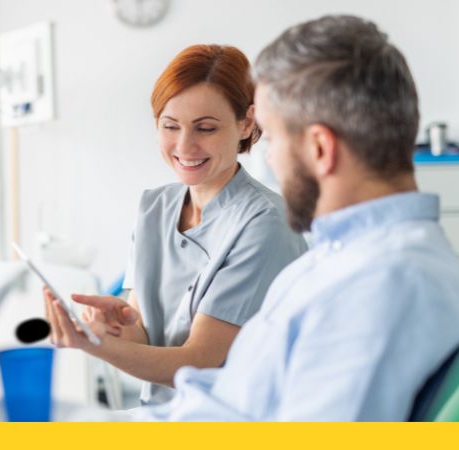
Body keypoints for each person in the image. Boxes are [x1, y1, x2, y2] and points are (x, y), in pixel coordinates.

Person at [123, 15, 459, 420]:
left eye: (273, 136)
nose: (268, 156)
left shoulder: (379, 284)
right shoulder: (343, 261)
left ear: (320, 148)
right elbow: (229, 397)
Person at [44, 45, 307, 406]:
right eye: (170, 126)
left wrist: (96, 346)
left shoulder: (266, 222)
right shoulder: (153, 207)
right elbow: (146, 338)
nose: (185, 146)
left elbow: (196, 363)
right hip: (161, 417)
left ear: (247, 122)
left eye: (206, 128)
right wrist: (117, 328)